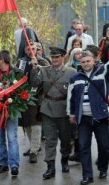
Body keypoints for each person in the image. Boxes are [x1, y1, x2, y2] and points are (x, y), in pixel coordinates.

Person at [68, 38, 109, 185]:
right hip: (84, 119)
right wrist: (71, 113)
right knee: (84, 147)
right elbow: (71, 98)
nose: (86, 63)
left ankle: (103, 168)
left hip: (100, 117)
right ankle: (88, 176)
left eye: (88, 61)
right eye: (83, 61)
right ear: (80, 63)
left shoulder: (103, 72)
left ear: (94, 61)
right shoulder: (75, 78)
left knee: (104, 146)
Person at [29, 47, 76, 180]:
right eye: (53, 57)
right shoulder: (43, 70)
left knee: (66, 140)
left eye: (57, 57)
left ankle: (65, 160)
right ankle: (50, 167)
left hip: (64, 110)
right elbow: (34, 83)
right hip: (48, 109)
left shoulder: (71, 72)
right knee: (50, 140)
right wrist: (33, 69)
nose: (54, 59)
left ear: (63, 57)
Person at [0, 50, 22, 176]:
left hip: (11, 110)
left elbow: (22, 92)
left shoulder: (16, 72)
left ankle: (14, 165)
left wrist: (10, 104)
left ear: (2, 60)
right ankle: (3, 163)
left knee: (11, 138)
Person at [17, 44, 49, 163]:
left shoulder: (43, 62)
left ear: (37, 50)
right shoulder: (21, 62)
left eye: (33, 48)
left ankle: (34, 151)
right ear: (25, 50)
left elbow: (44, 78)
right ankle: (34, 146)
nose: (31, 51)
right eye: (28, 48)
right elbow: (17, 76)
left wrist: (36, 67)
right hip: (23, 96)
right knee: (26, 124)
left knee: (35, 124)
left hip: (38, 97)